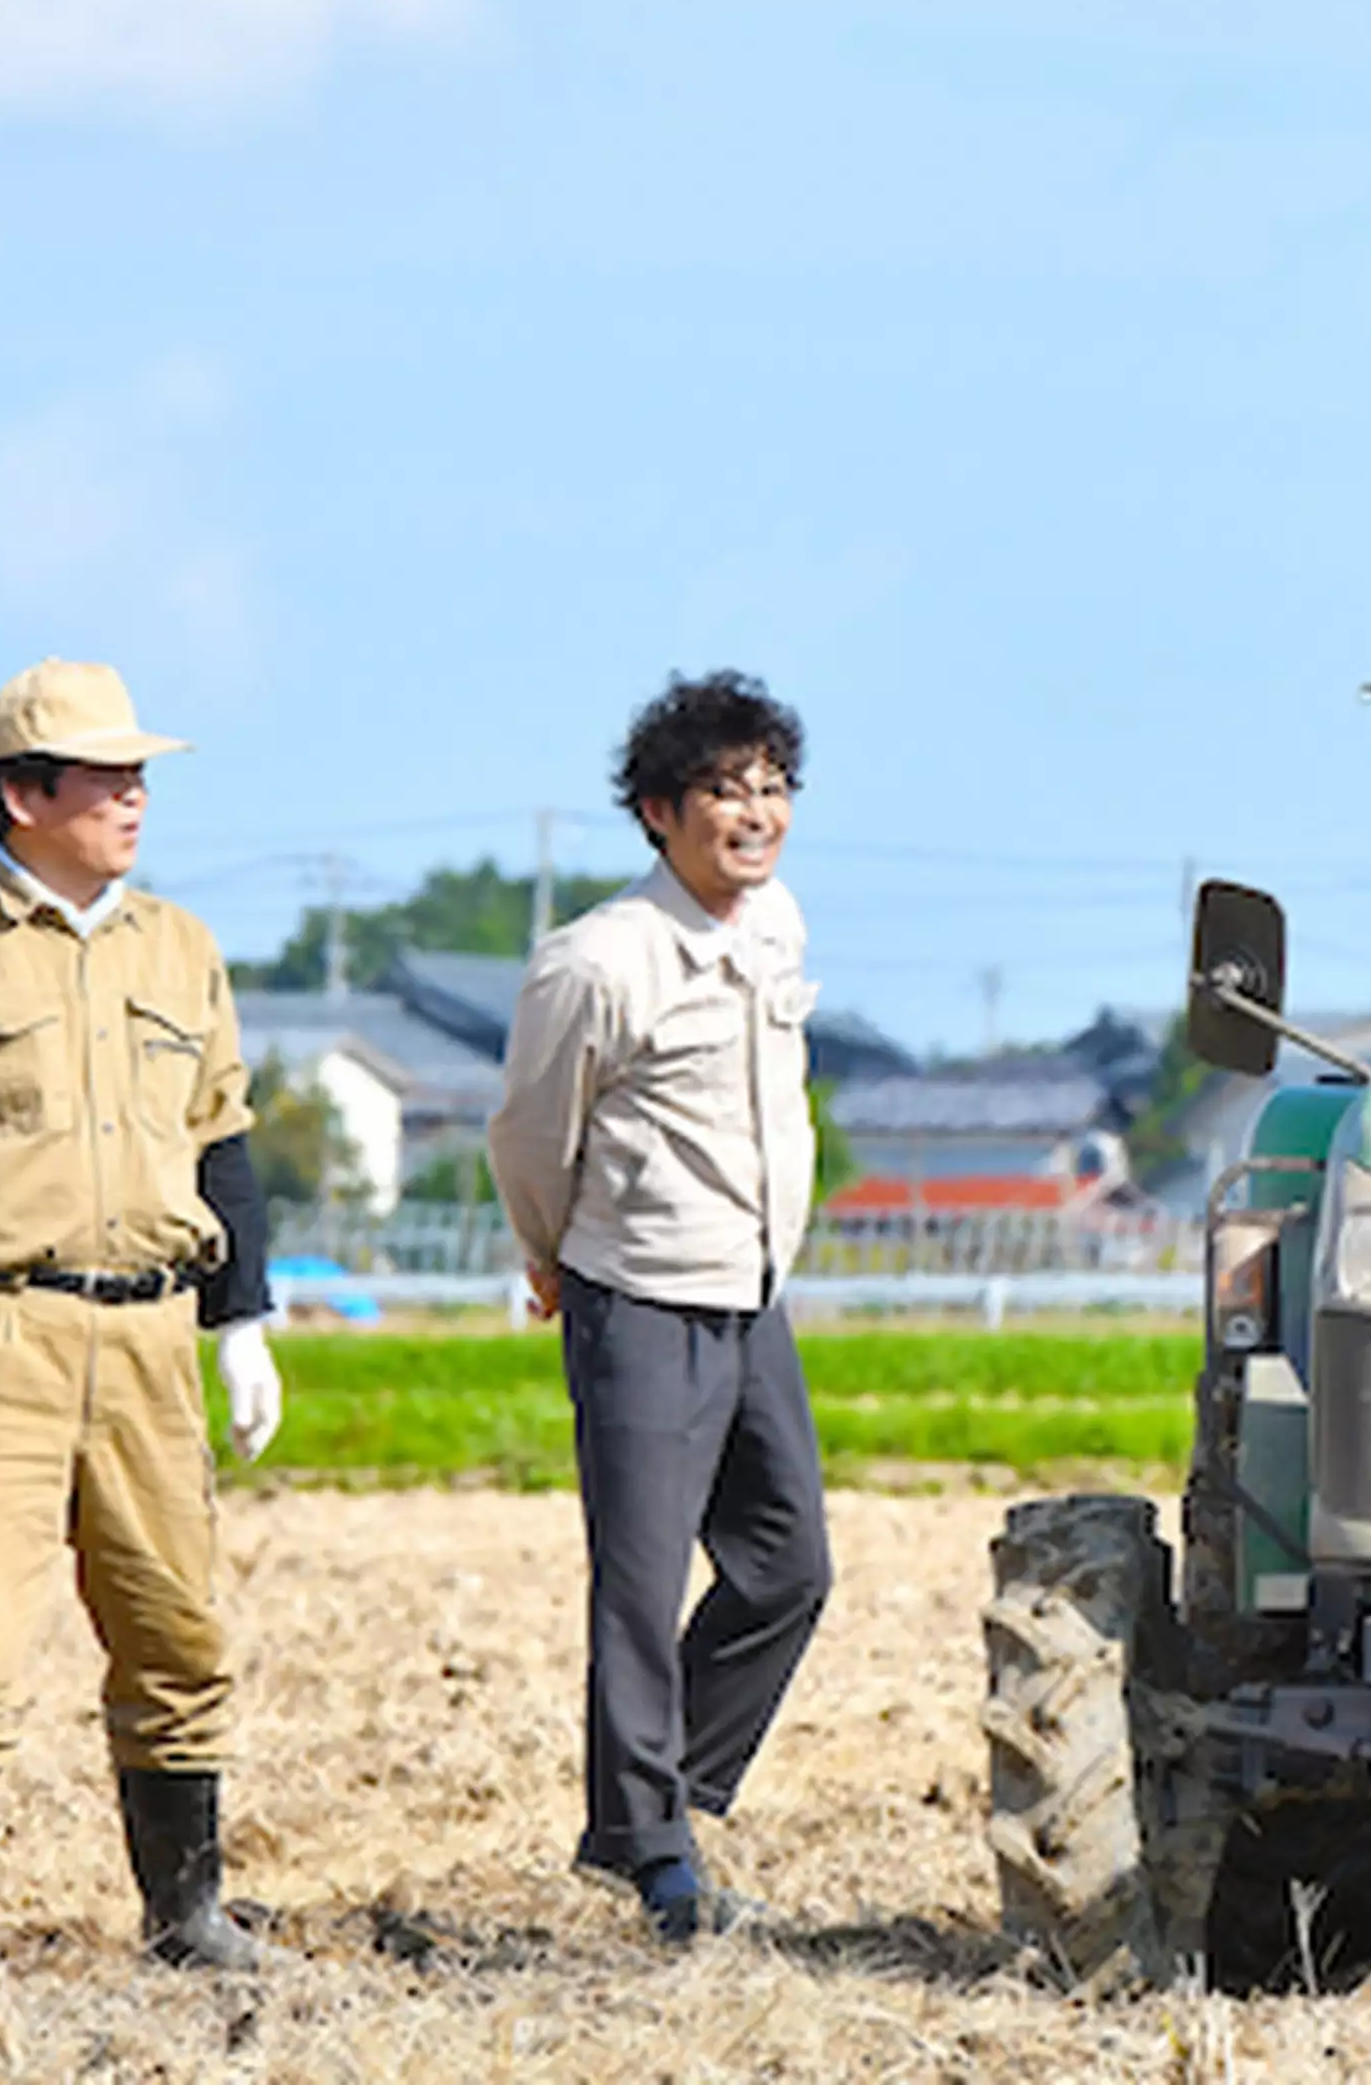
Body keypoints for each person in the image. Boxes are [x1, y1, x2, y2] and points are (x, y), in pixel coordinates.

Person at [0, 657, 285, 1970]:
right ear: (24, 793)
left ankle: (186, 1913)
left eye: (141, 775)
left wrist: (240, 1320)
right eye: (108, 776)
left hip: (148, 1339)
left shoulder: (181, 949)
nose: (136, 797)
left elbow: (225, 1145)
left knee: (176, 1629)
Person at [487, 671, 831, 1944]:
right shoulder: (600, 958)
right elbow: (530, 1131)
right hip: (637, 1294)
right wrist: (550, 1254)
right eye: (725, 792)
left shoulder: (776, 923)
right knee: (637, 1582)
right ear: (657, 813)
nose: (755, 814)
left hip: (752, 1291)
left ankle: (657, 1798)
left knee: (790, 1566)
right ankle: (658, 1858)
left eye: (772, 788)